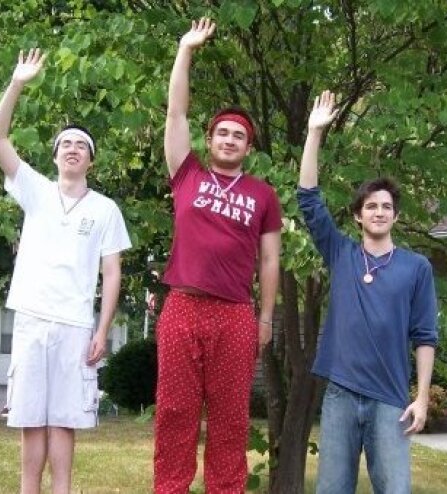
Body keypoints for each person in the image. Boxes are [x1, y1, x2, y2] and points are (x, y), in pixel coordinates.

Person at [0, 48, 132, 494]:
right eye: (66, 143)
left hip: (74, 325)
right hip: (32, 319)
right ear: (55, 156)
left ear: (91, 160)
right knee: (31, 421)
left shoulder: (106, 210)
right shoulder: (35, 190)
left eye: (81, 146)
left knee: (64, 423)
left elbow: (112, 273)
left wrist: (101, 330)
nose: (73, 150)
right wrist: (17, 82)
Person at [155, 18, 283, 494]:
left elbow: (270, 261)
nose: (229, 140)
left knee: (229, 420)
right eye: (222, 133)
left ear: (248, 148)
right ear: (209, 141)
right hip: (182, 307)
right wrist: (185, 49)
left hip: (235, 315)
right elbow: (175, 113)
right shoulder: (186, 174)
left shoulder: (263, 194)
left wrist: (265, 319)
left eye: (238, 136)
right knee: (174, 412)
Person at [297, 91, 438, 493]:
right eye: (371, 206)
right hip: (340, 395)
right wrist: (313, 132)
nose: (379, 211)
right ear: (358, 216)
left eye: (387, 206)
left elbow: (425, 337)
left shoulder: (417, 268)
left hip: (391, 400)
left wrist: (422, 398)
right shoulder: (341, 253)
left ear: (395, 215)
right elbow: (309, 199)